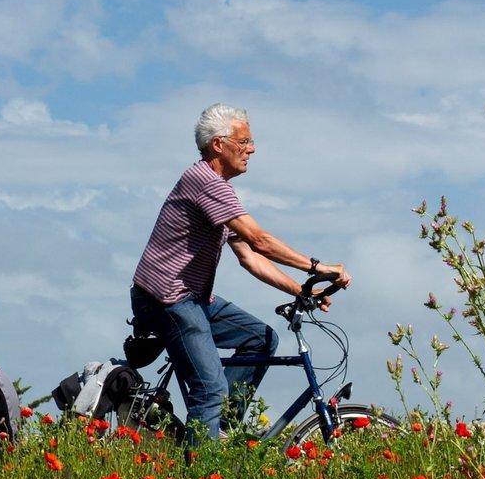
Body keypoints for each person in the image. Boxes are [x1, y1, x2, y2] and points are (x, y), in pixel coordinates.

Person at [130, 103, 351, 441]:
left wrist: (303, 291)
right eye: (245, 141)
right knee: (210, 389)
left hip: (193, 298)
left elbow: (249, 257)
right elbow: (260, 241)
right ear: (218, 144)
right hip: (166, 299)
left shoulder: (218, 190)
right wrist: (319, 267)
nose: (252, 149)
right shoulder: (204, 181)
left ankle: (220, 431)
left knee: (261, 339)